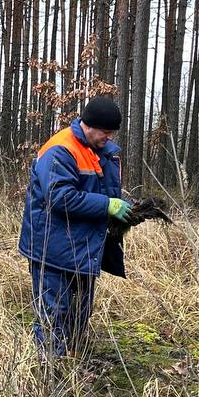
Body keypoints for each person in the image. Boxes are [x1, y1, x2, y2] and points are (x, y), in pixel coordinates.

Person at [18, 96, 134, 358]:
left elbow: (104, 191)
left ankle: (74, 361)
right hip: (52, 249)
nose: (109, 136)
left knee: (80, 312)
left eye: (112, 132)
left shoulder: (102, 151)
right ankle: (51, 375)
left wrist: (123, 207)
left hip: (84, 249)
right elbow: (59, 197)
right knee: (53, 314)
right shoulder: (60, 149)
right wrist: (107, 205)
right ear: (89, 125)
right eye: (106, 131)